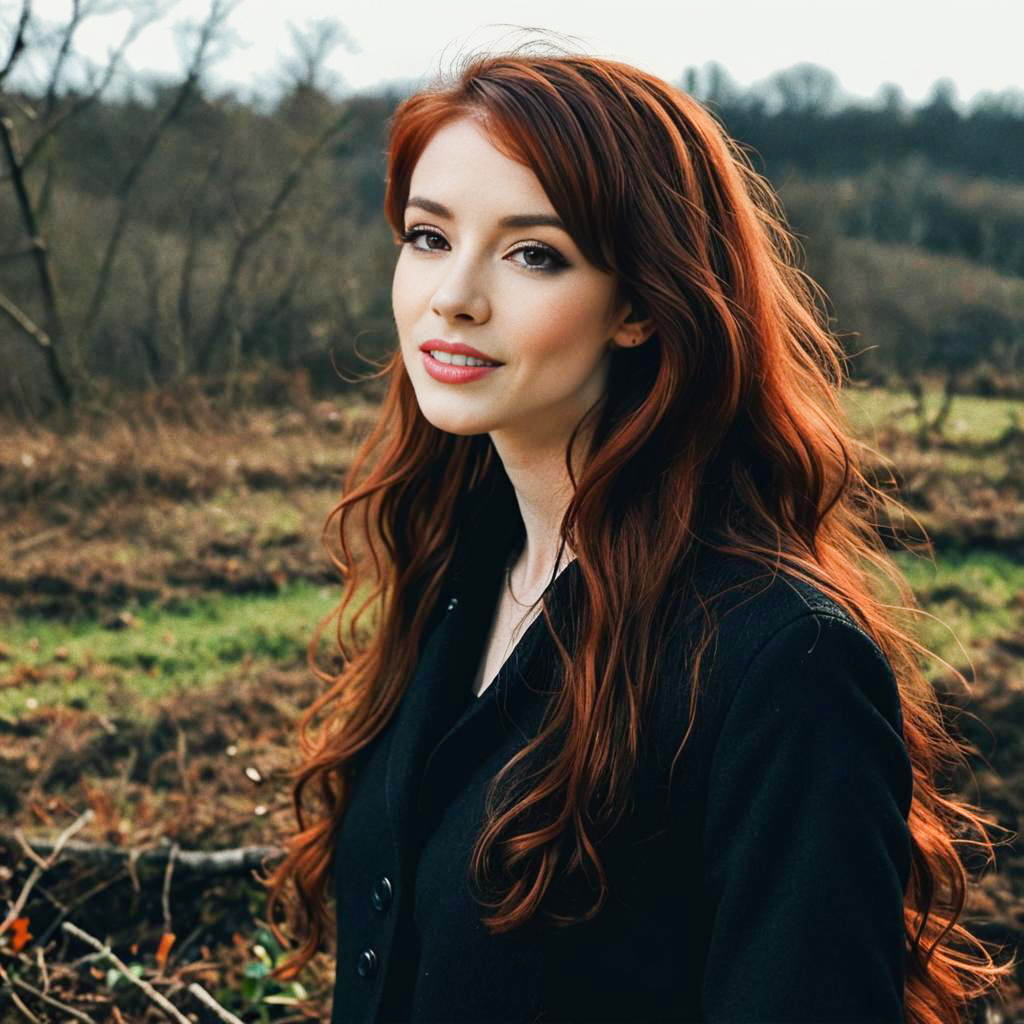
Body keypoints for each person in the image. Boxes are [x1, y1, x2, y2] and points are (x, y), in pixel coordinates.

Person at [262, 49, 1015, 1023]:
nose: (452, 295)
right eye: (427, 236)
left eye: (533, 252)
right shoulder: (461, 570)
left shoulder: (780, 665)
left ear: (638, 305)